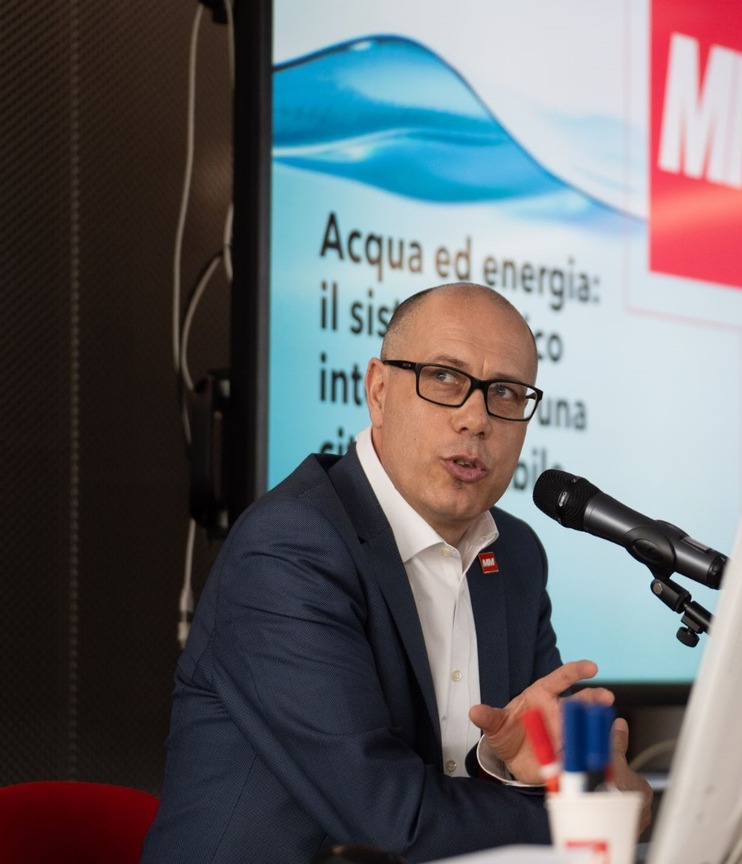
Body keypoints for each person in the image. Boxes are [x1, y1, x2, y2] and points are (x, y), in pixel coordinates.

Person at [141, 282, 652, 863]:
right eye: (444, 378)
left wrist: (530, 770)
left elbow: (550, 765)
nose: (476, 419)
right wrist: (596, 818)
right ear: (379, 391)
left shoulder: (517, 554)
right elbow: (389, 819)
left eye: (506, 393)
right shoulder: (290, 546)